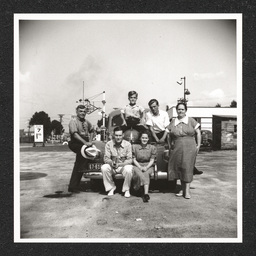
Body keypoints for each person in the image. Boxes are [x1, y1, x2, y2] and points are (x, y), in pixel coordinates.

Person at [167, 102, 201, 199]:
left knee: (187, 167)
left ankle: (187, 191)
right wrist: (170, 146)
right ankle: (182, 189)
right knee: (180, 167)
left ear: (186, 110)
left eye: (182, 109)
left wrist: (198, 145)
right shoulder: (173, 122)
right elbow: (169, 134)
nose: (180, 111)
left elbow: (198, 133)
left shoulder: (191, 120)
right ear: (176, 110)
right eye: (179, 109)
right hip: (177, 147)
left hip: (190, 147)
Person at [68, 105, 94, 193]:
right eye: (80, 111)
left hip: (84, 142)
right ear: (76, 112)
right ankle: (73, 186)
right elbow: (75, 134)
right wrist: (85, 143)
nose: (82, 113)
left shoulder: (87, 122)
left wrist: (90, 140)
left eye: (84, 111)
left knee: (82, 161)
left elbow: (92, 130)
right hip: (76, 142)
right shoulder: (73, 121)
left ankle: (74, 185)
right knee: (80, 162)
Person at [101, 126, 133, 198]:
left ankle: (126, 189)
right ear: (113, 135)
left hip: (123, 166)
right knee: (104, 167)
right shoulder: (109, 144)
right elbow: (106, 158)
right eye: (116, 135)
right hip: (113, 166)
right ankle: (111, 187)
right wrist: (111, 163)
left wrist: (120, 164)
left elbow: (130, 159)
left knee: (129, 169)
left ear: (123, 135)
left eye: (120, 135)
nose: (118, 137)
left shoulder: (128, 144)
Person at [132, 130, 157, 203]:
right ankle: (138, 189)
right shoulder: (135, 147)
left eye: (146, 138)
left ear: (148, 139)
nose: (144, 139)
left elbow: (152, 160)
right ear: (140, 138)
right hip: (137, 165)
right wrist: (139, 167)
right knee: (139, 174)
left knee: (146, 173)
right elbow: (134, 160)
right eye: (142, 138)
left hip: (148, 165)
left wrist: (146, 167)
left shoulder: (152, 148)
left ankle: (145, 194)